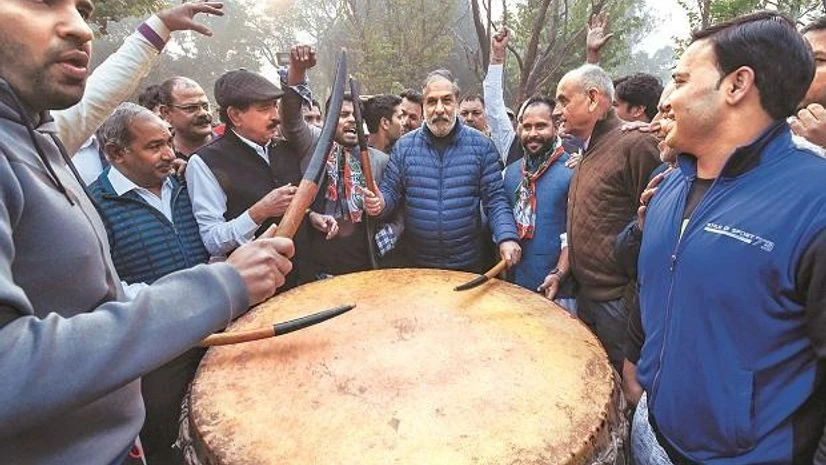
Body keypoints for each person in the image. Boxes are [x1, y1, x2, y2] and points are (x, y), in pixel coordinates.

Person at [0, 2, 294, 465]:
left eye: (83, 9)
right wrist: (219, 286)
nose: (79, 27)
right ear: (116, 154)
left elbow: (94, 101)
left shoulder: (33, 135)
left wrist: (155, 30)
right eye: (41, 1)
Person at [633, 12, 826, 464]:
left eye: (680, 80)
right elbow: (656, 284)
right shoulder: (670, 183)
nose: (668, 98)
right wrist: (635, 360)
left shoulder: (815, 202)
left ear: (737, 85)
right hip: (651, 435)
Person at [89, 103, 210, 465]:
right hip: (156, 353)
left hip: (214, 332)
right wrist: (172, 303)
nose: (169, 154)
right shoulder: (96, 206)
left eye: (169, 142)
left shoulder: (186, 186)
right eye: (154, 146)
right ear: (115, 153)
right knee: (169, 443)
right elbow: (105, 286)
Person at [550, 63, 660, 371]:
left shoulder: (635, 144)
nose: (558, 111)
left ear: (593, 98)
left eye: (563, 100)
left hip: (618, 304)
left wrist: (629, 299)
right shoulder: (586, 150)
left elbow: (655, 226)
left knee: (621, 386)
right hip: (589, 297)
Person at [364, 69, 521, 272]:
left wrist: (507, 237)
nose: (439, 109)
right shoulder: (404, 147)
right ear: (423, 107)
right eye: (431, 102)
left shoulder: (481, 146)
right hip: (418, 265)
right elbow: (390, 193)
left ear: (456, 103)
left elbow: (496, 199)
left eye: (446, 100)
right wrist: (380, 202)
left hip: (468, 265)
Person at [67, 2, 224, 185]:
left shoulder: (174, 179)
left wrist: (162, 25)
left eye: (83, 15)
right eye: (154, 146)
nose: (84, 32)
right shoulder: (45, 140)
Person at [185, 69, 309, 287]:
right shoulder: (205, 162)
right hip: (258, 290)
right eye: (264, 109)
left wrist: (312, 216)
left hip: (305, 279)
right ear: (235, 116)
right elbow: (213, 240)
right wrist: (259, 212)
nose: (275, 116)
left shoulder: (286, 149)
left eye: (275, 106)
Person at [281, 45, 390, 277]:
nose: (351, 120)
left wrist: (380, 206)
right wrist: (297, 73)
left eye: (355, 115)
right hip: (315, 267)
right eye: (342, 115)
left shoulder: (379, 160)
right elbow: (290, 120)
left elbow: (392, 206)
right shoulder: (314, 144)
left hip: (363, 266)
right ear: (328, 120)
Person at [502, 96, 573, 292]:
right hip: (515, 287)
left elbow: (574, 235)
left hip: (557, 291)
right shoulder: (510, 174)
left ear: (556, 127)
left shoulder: (572, 171)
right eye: (527, 127)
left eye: (541, 126)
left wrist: (559, 273)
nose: (533, 133)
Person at [158, 76, 216, 159]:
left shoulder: (232, 146)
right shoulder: (166, 162)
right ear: (166, 113)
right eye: (191, 108)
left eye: (205, 106)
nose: (203, 113)